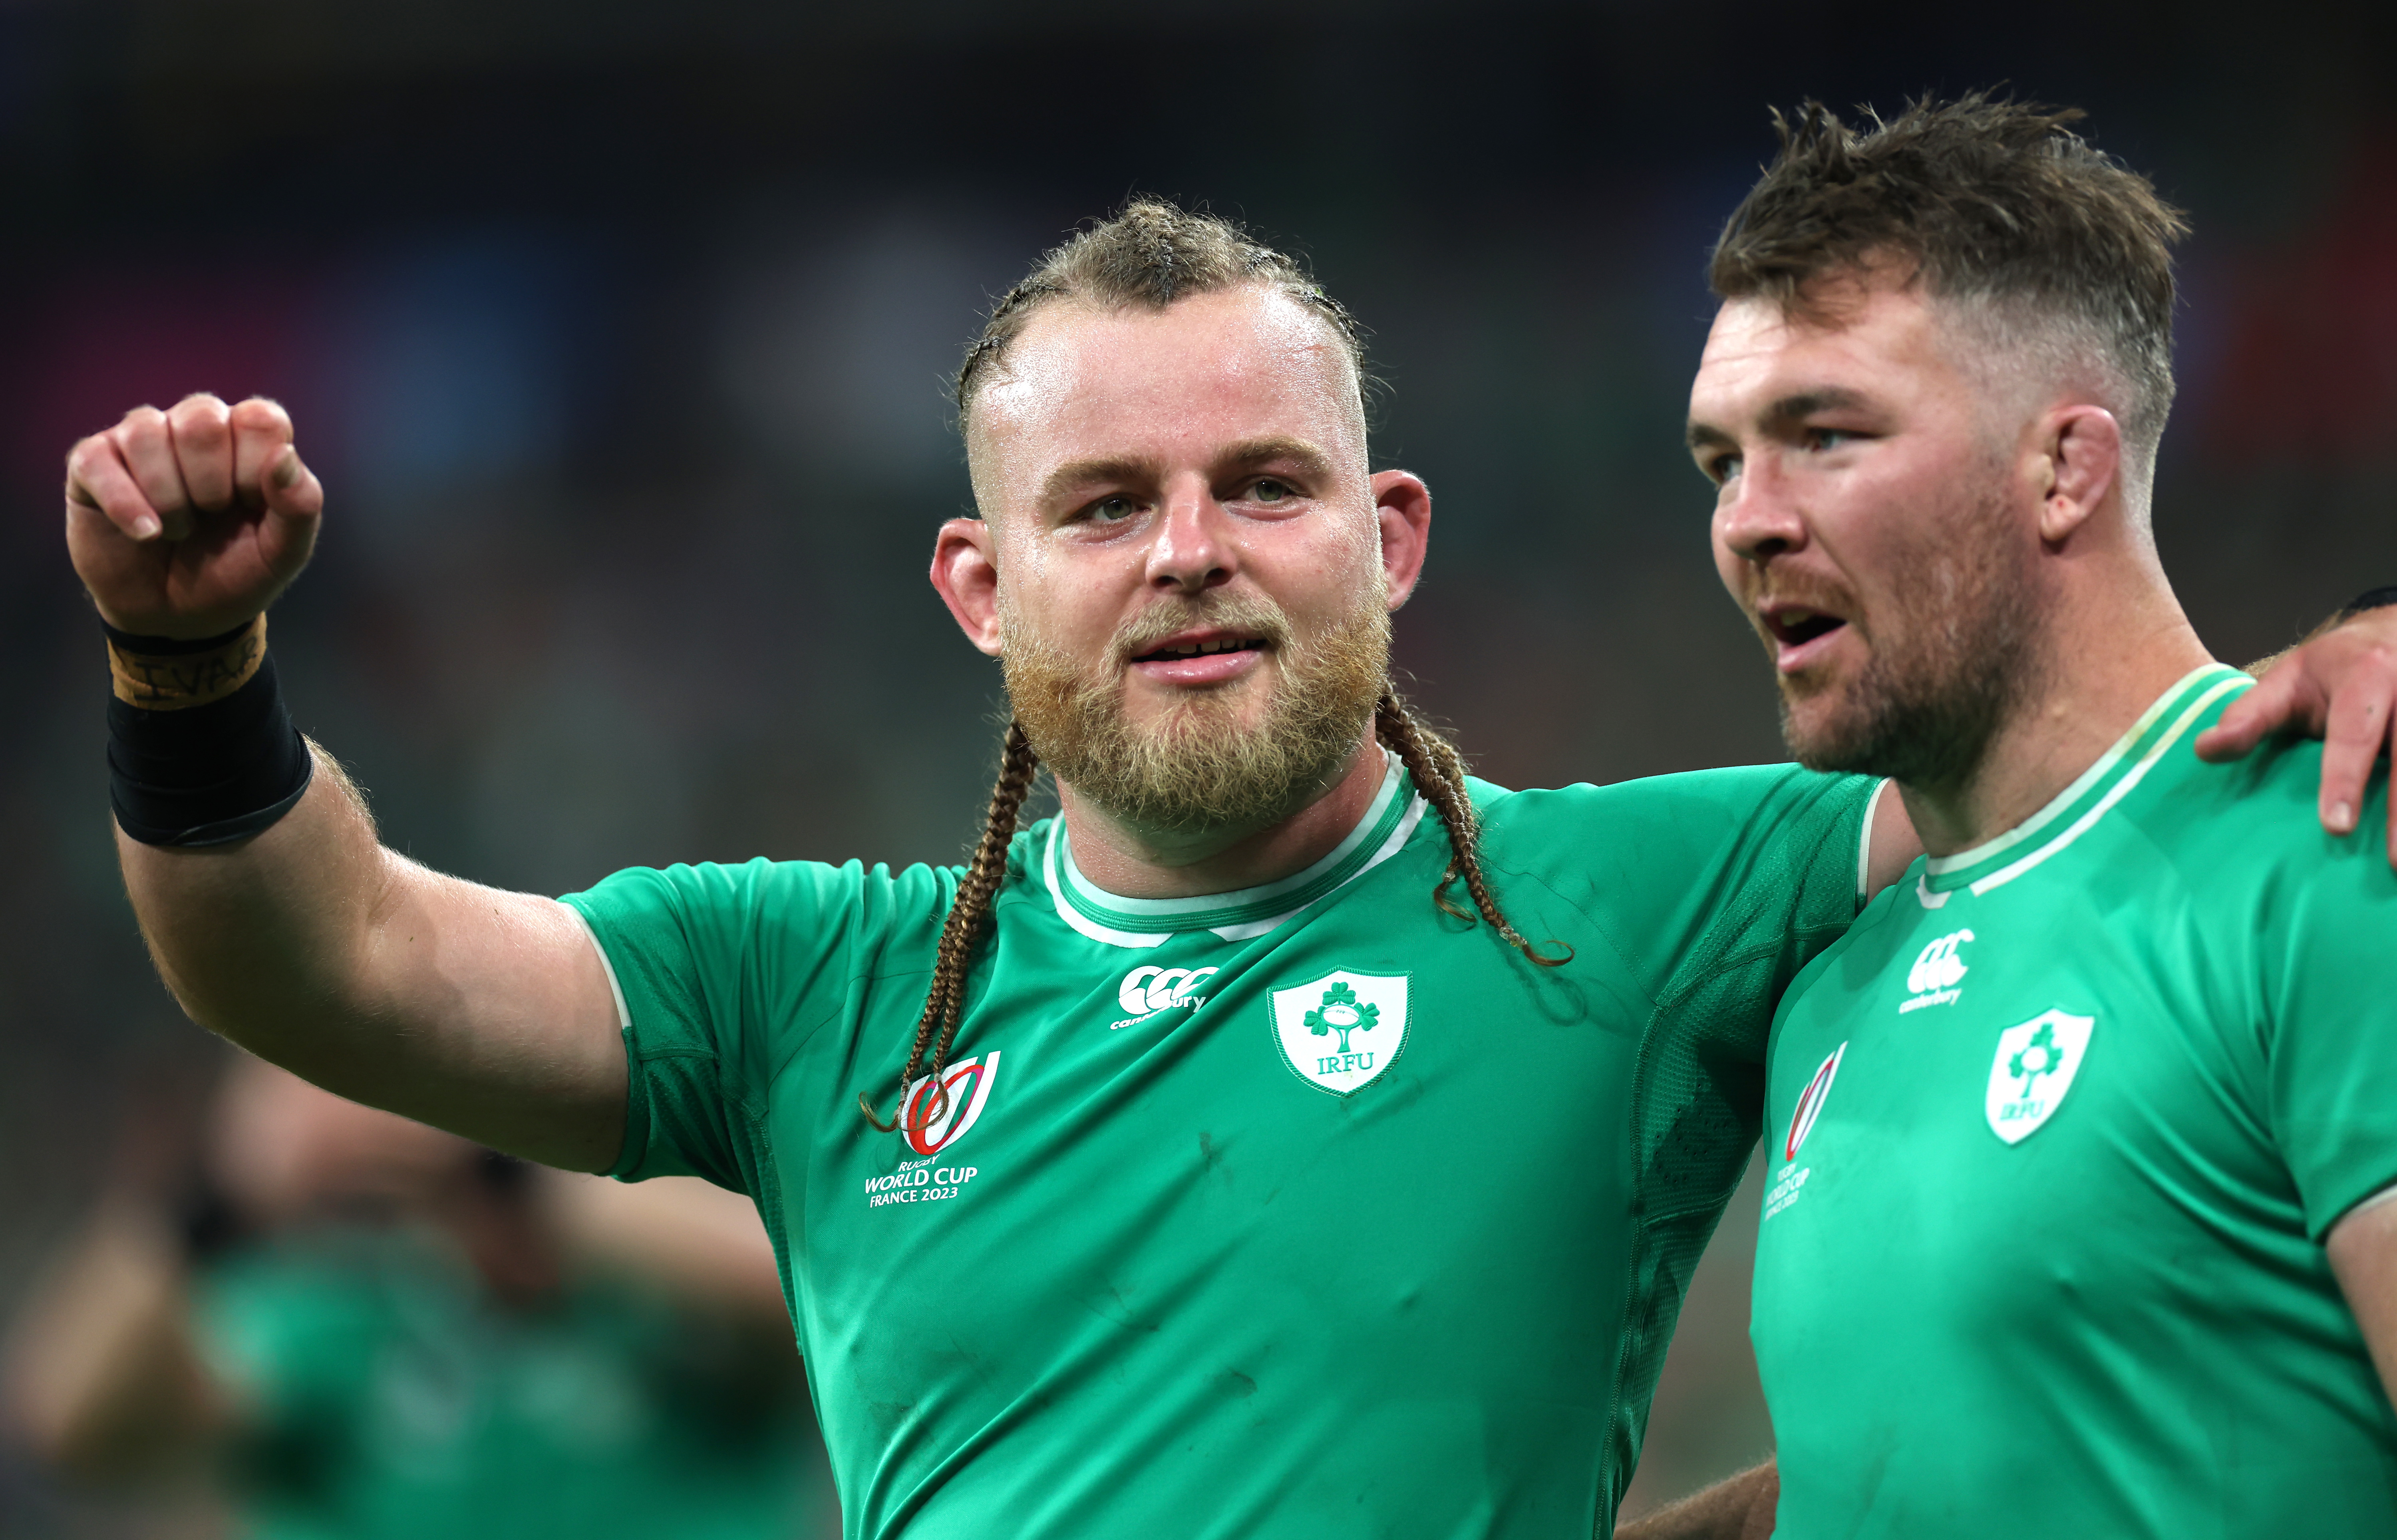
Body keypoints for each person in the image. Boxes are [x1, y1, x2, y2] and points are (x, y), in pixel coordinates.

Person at [59, 201, 2394, 1539]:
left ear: (1386, 540)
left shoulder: (1656, 899)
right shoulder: (812, 985)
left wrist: (2346, 645)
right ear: (982, 587)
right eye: (1104, 506)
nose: (1190, 554)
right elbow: (324, 953)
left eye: (1263, 485)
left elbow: (2082, 762)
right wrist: (191, 666)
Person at [1637, 95, 2397, 1538]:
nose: (1748, 517)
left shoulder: (2336, 841)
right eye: (1721, 458)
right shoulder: (1835, 982)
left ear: (2065, 468)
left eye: (1826, 433)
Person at [4, 1054, 835, 1540]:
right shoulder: (325, 1321)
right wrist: (219, 1201)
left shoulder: (665, 1278)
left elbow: (808, 1282)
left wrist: (507, 1157)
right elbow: (73, 1414)